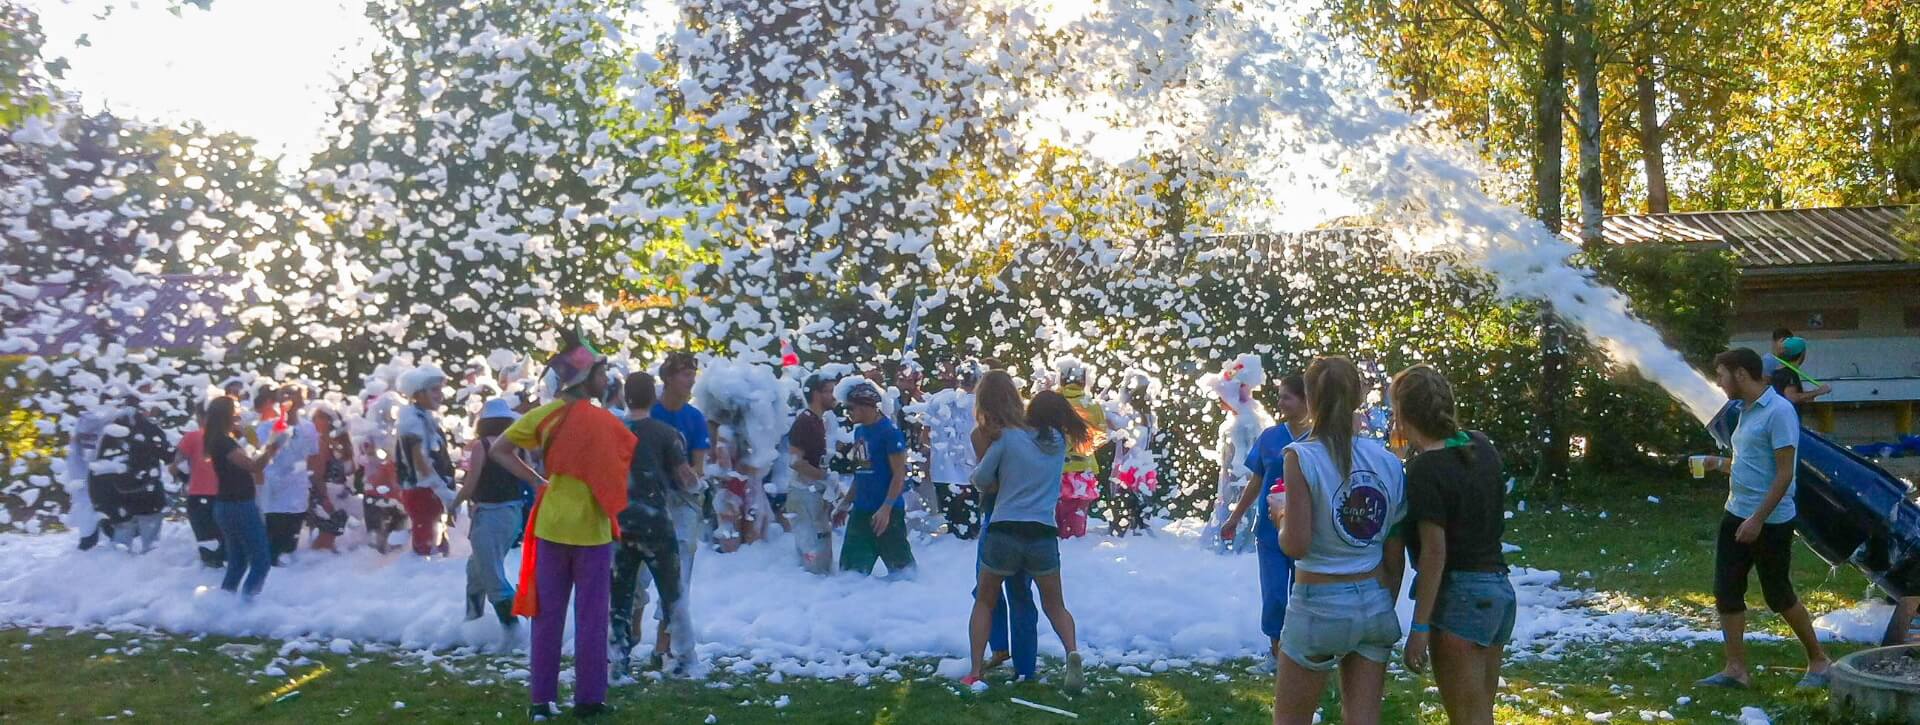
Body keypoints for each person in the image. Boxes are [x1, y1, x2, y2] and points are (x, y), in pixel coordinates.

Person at [491, 331, 635, 721]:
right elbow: (620, 472)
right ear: (585, 378)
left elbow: (499, 450)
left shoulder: (545, 415)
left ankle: (541, 700)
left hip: (551, 524)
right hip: (593, 529)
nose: (606, 379)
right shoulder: (606, 422)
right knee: (591, 617)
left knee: (547, 616)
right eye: (601, 372)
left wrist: (537, 481)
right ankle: (589, 699)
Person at [1273, 356, 1407, 725]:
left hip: (1319, 604)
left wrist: (1280, 513)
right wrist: (1386, 602)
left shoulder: (1300, 455)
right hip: (1374, 602)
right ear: (1359, 396)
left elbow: (1296, 545)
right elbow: (1394, 549)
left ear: (1309, 399)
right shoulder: (1387, 461)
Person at [1692, 348, 1832, 690]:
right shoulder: (1745, 410)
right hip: (1736, 513)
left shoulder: (1780, 412)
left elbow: (1784, 474)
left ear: (1741, 374)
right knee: (1726, 591)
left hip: (1769, 521)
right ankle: (1736, 670)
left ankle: (1819, 661)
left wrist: (1757, 519)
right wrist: (1718, 463)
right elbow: (1751, 462)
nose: (1719, 383)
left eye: (1722, 375)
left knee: (1778, 594)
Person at [1391, 365, 1513, 725]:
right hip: (1499, 594)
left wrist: (1419, 628)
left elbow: (1434, 553)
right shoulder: (1480, 445)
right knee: (1480, 715)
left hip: (1461, 598)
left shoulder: (1425, 470)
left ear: (1401, 414)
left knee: (1467, 719)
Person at [963, 389, 1091, 694]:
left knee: (985, 600)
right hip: (1042, 534)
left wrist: (997, 480)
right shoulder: (1059, 444)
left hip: (1005, 530)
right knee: (1055, 605)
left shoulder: (1009, 437)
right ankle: (1072, 652)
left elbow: (980, 478)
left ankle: (976, 671)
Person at [609, 372, 697, 677]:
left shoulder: (612, 432)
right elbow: (685, 478)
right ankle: (683, 658)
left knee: (620, 595)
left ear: (626, 397)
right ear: (653, 397)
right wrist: (699, 485)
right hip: (656, 522)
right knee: (672, 592)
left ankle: (617, 660)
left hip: (619, 523)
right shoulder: (666, 433)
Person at [1223, 374, 1307, 673]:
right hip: (1270, 531)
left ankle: (1300, 653)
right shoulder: (1271, 437)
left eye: (1287, 397)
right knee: (1274, 594)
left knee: (1303, 594)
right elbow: (1256, 481)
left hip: (1306, 529)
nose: (1280, 402)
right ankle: (1275, 652)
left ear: (1306, 400)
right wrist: (1235, 517)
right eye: (1280, 396)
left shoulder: (1319, 439)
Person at [970, 370, 1042, 680]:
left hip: (996, 517)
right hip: (1030, 518)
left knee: (985, 591)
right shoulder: (1031, 432)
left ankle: (999, 646)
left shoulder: (983, 435)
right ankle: (1026, 666)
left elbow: (989, 483)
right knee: (1021, 592)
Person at [648, 351, 709, 663]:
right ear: (668, 378)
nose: (691, 380)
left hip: (683, 500)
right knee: (638, 573)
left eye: (693, 374)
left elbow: (699, 465)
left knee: (679, 569)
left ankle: (664, 643)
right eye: (685, 374)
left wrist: (687, 475)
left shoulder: (695, 418)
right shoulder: (650, 413)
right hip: (648, 499)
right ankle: (628, 638)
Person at [205, 396, 288, 598]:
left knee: (238, 561)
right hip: (239, 506)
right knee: (261, 561)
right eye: (235, 411)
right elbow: (253, 466)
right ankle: (247, 603)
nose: (239, 415)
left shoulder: (218, 440)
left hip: (226, 505)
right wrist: (272, 449)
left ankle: (225, 603)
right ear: (226, 415)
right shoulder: (224, 442)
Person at [454, 398, 526, 628]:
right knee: (476, 571)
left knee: (491, 574)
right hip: (513, 514)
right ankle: (472, 624)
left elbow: (471, 483)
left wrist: (454, 503)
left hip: (490, 515)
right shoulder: (516, 445)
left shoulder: (482, 446)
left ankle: (512, 631)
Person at [838, 378, 915, 577]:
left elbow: (899, 474)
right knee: (849, 575)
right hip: (861, 511)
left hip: (888, 513)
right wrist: (845, 504)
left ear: (866, 406)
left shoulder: (889, 433)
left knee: (904, 575)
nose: (848, 413)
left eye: (850, 408)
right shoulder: (859, 432)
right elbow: (861, 473)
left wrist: (886, 508)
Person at [1202, 354, 1274, 554]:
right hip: (1233, 475)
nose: (1219, 402)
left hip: (1241, 477)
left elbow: (1245, 455)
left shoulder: (1244, 422)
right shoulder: (1241, 417)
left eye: (1221, 397)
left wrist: (1238, 476)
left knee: (1241, 509)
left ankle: (1237, 544)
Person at [93, 389, 171, 554]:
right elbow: (167, 455)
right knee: (151, 544)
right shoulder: (151, 429)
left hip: (119, 494)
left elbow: (101, 464)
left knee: (121, 543)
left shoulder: (111, 432)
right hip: (149, 493)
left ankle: (118, 567)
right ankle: (149, 566)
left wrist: (102, 499)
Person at [396, 364, 457, 557]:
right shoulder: (413, 420)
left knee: (436, 542)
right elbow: (420, 463)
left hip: (429, 491)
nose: (440, 395)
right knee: (426, 548)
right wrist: (442, 490)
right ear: (419, 393)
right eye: (434, 390)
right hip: (423, 491)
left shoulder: (424, 417)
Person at [257, 384, 321, 565]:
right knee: (273, 544)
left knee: (290, 543)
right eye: (284, 394)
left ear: (302, 400)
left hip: (297, 491)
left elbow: (313, 457)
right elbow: (260, 457)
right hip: (274, 492)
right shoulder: (265, 427)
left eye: (293, 394)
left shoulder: (309, 427)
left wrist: (316, 484)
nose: (288, 398)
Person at [923, 361, 983, 539]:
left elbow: (925, 437)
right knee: (969, 533)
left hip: (941, 474)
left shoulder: (937, 400)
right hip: (970, 474)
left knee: (949, 530)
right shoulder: (982, 404)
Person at [1051, 358, 1110, 539]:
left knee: (1055, 520)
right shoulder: (1091, 405)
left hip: (1055, 468)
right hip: (1083, 468)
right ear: (1084, 380)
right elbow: (1101, 436)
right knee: (1076, 522)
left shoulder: (1051, 402)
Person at [787, 374, 839, 574]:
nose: (834, 396)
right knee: (813, 557)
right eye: (830, 391)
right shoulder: (805, 422)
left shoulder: (818, 421)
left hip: (814, 492)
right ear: (817, 394)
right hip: (804, 493)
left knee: (822, 553)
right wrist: (824, 478)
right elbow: (796, 461)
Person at [1106, 370, 1159, 537]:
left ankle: (1120, 529)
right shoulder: (1149, 417)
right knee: (1140, 504)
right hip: (1144, 466)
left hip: (1128, 467)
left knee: (1122, 503)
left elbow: (1110, 421)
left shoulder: (1129, 417)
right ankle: (1140, 528)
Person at [175, 401, 225, 567]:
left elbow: (176, 465)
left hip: (199, 493)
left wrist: (186, 478)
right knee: (223, 534)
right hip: (224, 493)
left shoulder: (192, 437)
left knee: (205, 537)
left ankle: (210, 564)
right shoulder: (227, 437)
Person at [64, 401, 114, 550]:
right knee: (99, 513)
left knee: (88, 515)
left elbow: (75, 455)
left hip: (83, 478)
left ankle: (89, 545)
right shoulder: (104, 425)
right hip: (94, 479)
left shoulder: (83, 426)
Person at [1769, 336, 1832, 411]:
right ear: (1802, 354)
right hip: (1788, 416)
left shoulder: (1778, 370)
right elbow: (1792, 397)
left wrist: (1809, 395)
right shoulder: (1790, 373)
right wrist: (1818, 391)